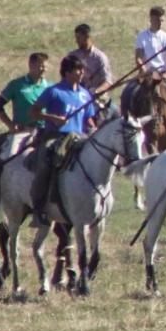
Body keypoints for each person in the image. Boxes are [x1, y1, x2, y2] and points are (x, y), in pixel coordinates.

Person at [29, 55, 100, 221]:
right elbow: (33, 112)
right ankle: (39, 208)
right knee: (45, 165)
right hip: (55, 137)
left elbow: (88, 118)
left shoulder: (84, 94)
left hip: (78, 138)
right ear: (67, 72)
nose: (82, 72)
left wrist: (94, 128)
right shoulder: (54, 92)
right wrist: (53, 118)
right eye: (78, 69)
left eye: (82, 69)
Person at [0, 52, 52, 131]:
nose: (44, 70)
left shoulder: (50, 87)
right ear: (31, 65)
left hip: (45, 130)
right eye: (41, 66)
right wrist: (10, 124)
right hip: (23, 130)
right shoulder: (16, 84)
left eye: (46, 67)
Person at [134, 6, 166, 96]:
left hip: (162, 74)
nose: (161, 23)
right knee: (129, 92)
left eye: (162, 20)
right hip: (146, 74)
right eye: (159, 20)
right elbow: (138, 58)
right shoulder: (141, 36)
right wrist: (144, 70)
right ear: (152, 19)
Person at [66, 23, 113, 92]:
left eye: (78, 38)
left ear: (87, 37)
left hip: (95, 98)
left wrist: (96, 91)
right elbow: (65, 77)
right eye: (76, 38)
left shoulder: (100, 57)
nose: (76, 41)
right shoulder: (72, 56)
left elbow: (108, 81)